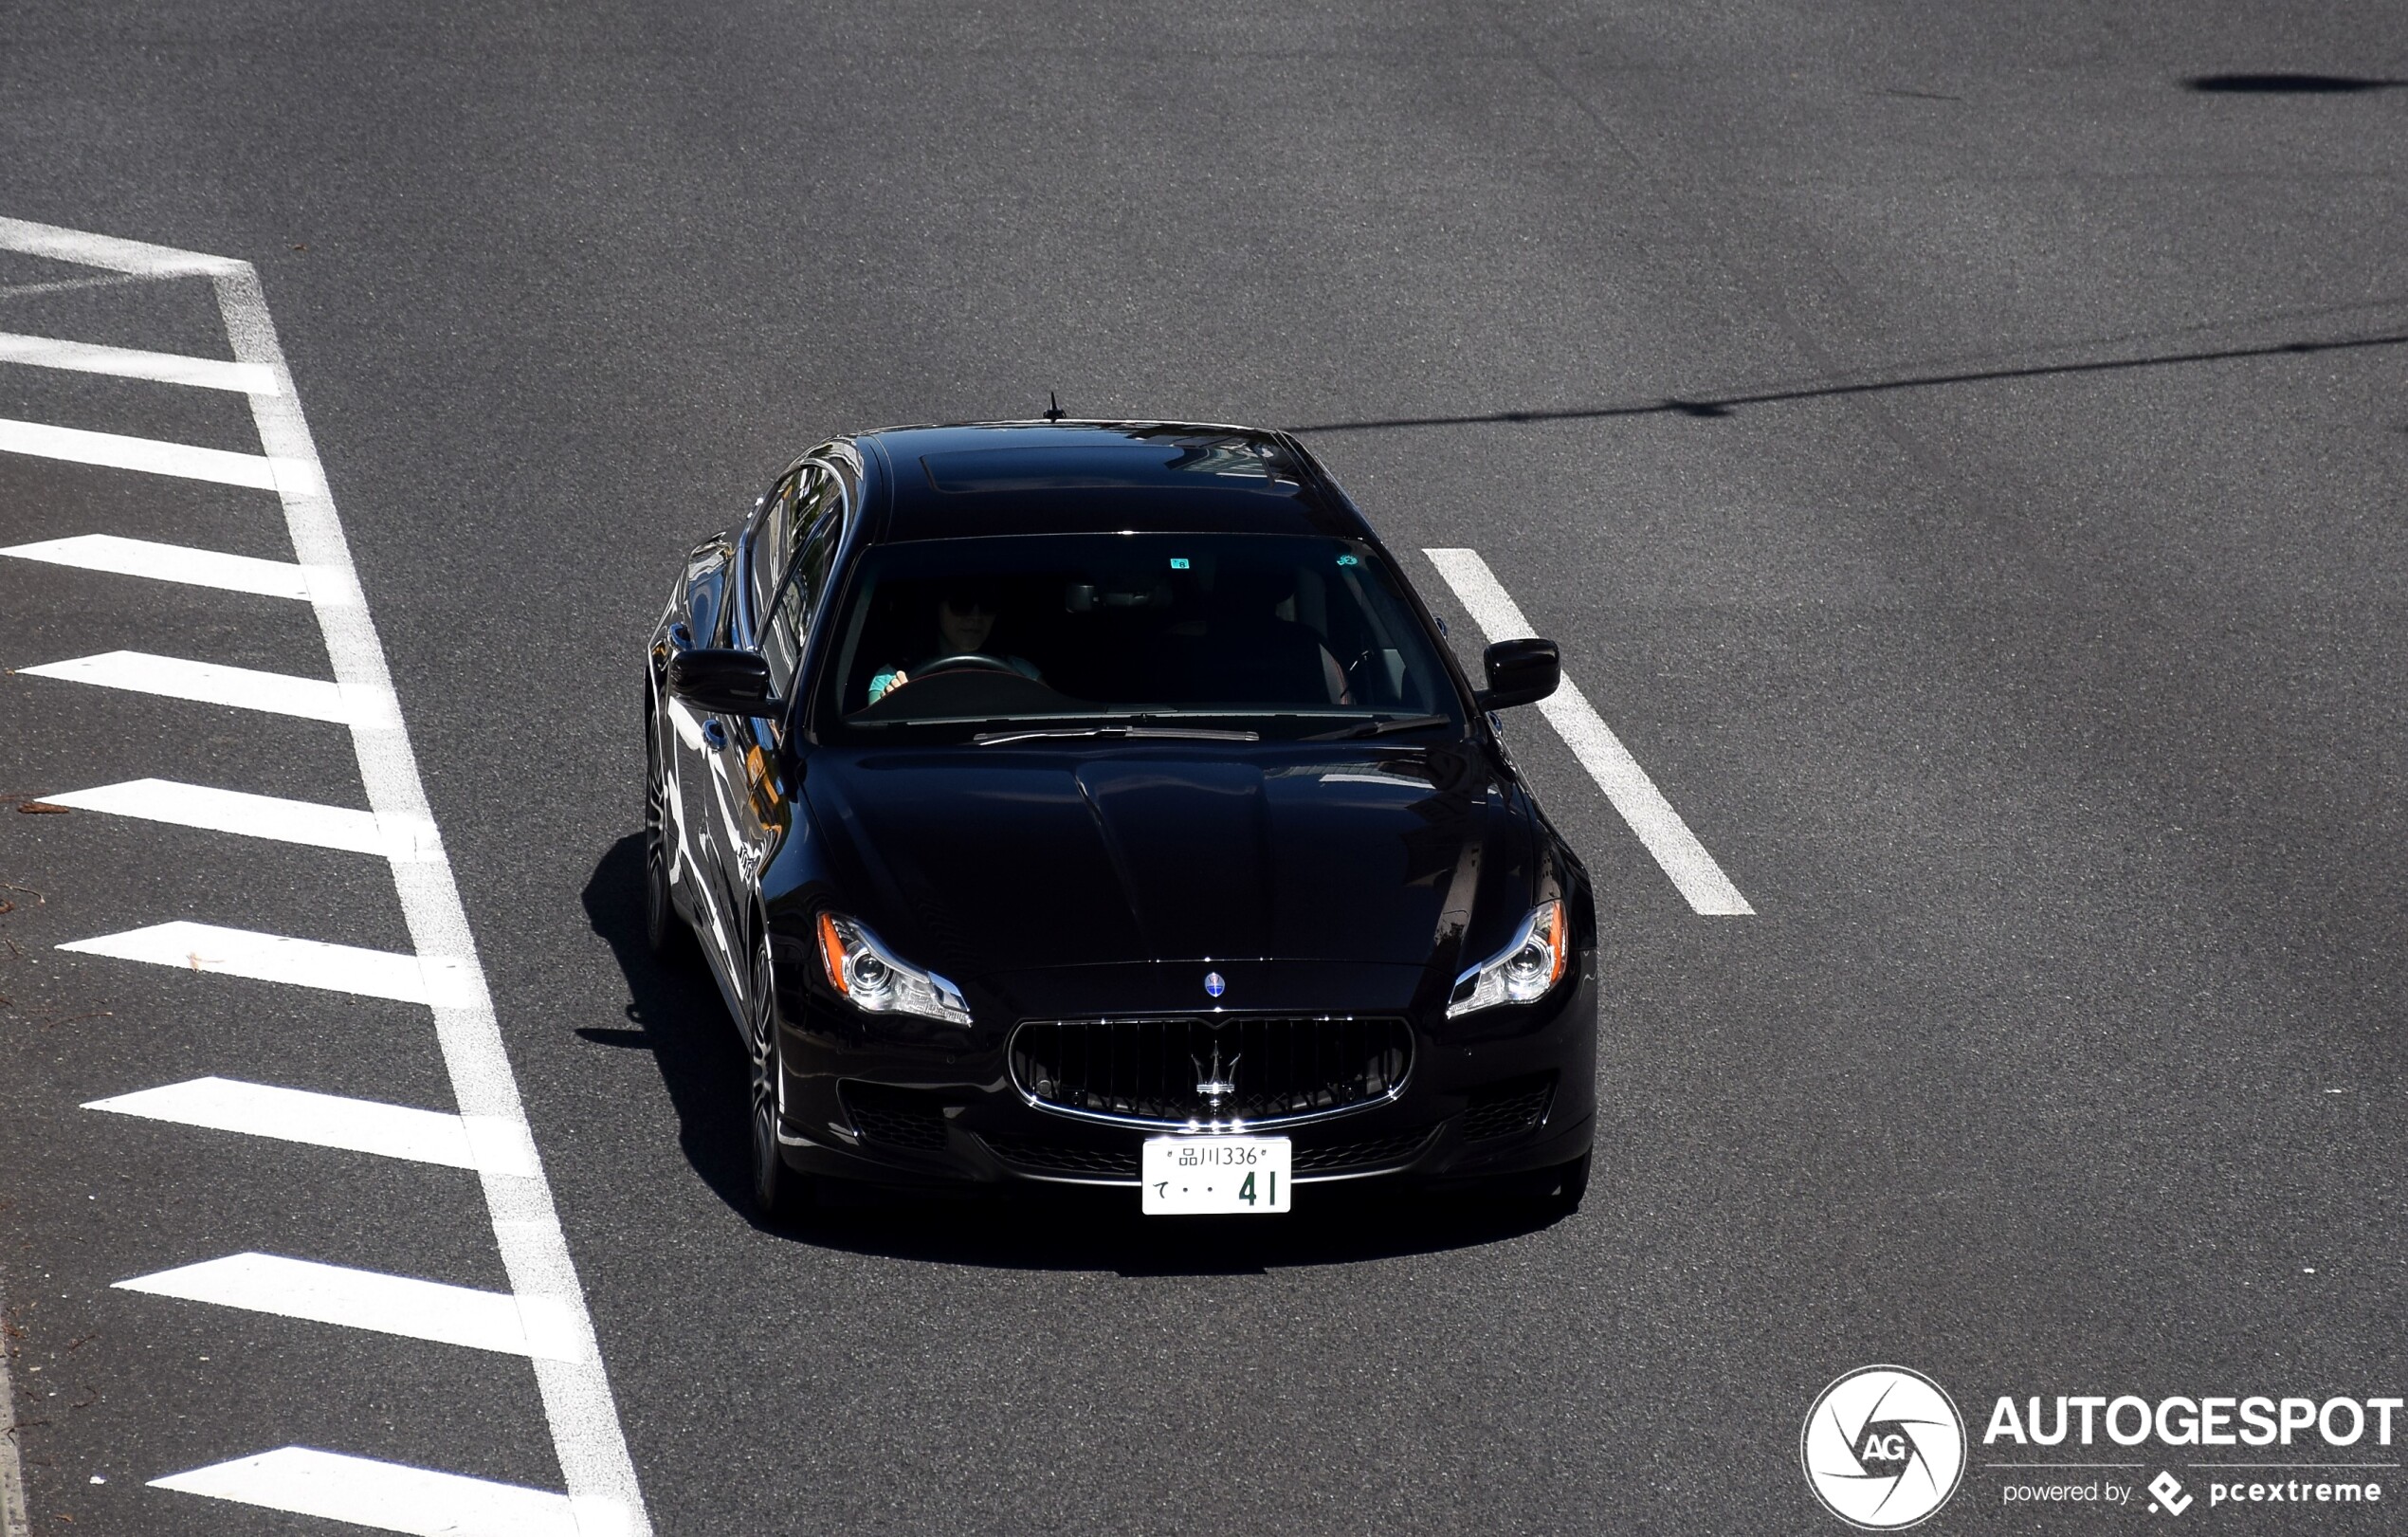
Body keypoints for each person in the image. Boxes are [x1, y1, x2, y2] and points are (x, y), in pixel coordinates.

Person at [867, 584, 1043, 704]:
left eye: (988, 605)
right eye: (961, 603)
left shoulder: (1023, 674)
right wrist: (892, 708)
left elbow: (1054, 726)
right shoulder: (894, 679)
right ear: (936, 607)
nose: (976, 616)